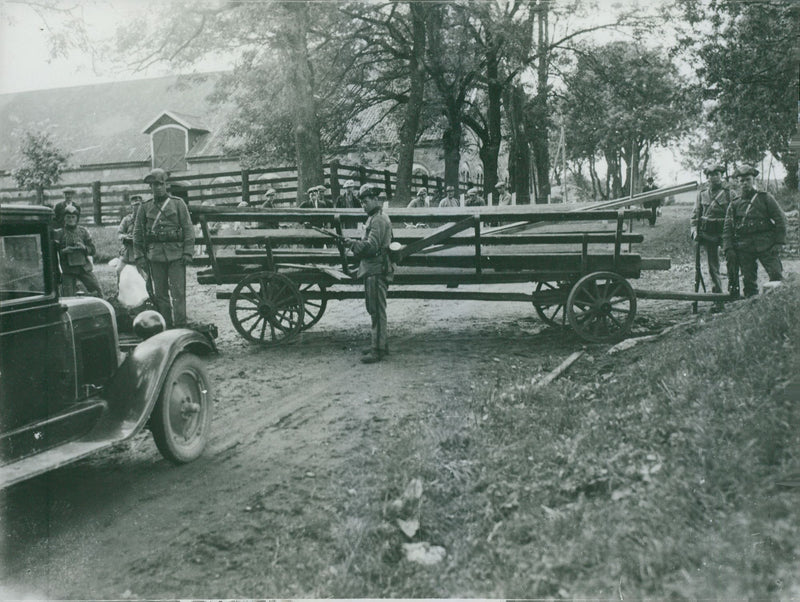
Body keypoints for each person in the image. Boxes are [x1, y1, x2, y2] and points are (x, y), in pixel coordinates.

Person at [133, 168, 195, 328]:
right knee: (160, 294)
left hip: (177, 254)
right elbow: (138, 233)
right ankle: (166, 326)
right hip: (155, 256)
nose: (158, 188)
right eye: (154, 185)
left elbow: (188, 229)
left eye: (160, 184)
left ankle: (181, 326)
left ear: (166, 185)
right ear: (150, 187)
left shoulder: (178, 204)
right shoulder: (144, 207)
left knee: (178, 293)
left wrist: (188, 252)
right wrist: (139, 256)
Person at [722, 164, 787, 298]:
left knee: (776, 276)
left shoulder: (765, 198)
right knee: (749, 281)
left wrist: (779, 242)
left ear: (754, 181)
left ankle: (779, 306)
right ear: (738, 183)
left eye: (748, 180)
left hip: (767, 245)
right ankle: (751, 307)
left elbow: (781, 220)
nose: (745, 183)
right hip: (745, 247)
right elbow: (727, 228)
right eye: (742, 181)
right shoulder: (734, 204)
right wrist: (728, 248)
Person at [346, 184, 394, 364]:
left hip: (376, 269)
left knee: (376, 310)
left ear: (375, 199)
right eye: (361, 203)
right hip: (374, 268)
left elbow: (372, 247)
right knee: (375, 309)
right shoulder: (375, 218)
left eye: (365, 202)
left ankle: (378, 350)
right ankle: (380, 343)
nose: (363, 206)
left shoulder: (378, 220)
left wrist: (352, 244)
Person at [691, 164, 734, 302]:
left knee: (732, 262)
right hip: (708, 234)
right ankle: (717, 296)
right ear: (707, 177)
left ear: (721, 176)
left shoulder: (729, 194)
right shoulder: (702, 194)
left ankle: (733, 291)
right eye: (711, 175)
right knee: (712, 266)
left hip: (726, 233)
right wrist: (694, 231)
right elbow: (695, 215)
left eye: (717, 174)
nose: (714, 177)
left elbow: (736, 214)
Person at [54, 204, 103, 297]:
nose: (71, 219)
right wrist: (64, 251)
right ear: (64, 218)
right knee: (68, 296)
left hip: (83, 268)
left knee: (97, 289)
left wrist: (84, 247)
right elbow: (53, 254)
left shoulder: (83, 231)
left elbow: (93, 250)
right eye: (68, 217)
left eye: (73, 217)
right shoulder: (59, 233)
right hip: (68, 270)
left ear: (77, 218)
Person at [118, 194, 143, 274]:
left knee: (143, 274)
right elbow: (120, 233)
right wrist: (126, 236)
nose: (137, 207)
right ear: (131, 207)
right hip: (127, 250)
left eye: (139, 205)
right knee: (119, 270)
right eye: (135, 205)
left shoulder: (145, 219)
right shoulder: (127, 219)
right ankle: (119, 286)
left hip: (141, 250)